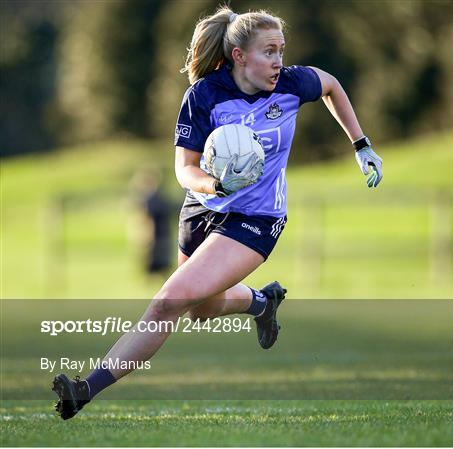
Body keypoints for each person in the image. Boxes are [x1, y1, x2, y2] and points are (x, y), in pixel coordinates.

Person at [51, 6, 383, 420]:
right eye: (268, 52)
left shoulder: (294, 83)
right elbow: (184, 169)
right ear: (239, 55)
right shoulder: (205, 94)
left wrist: (361, 144)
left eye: (281, 50)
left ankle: (85, 389)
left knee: (166, 303)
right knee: (200, 309)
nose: (279, 61)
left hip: (257, 220)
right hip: (203, 209)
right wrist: (215, 184)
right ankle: (261, 302)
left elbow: (332, 85)